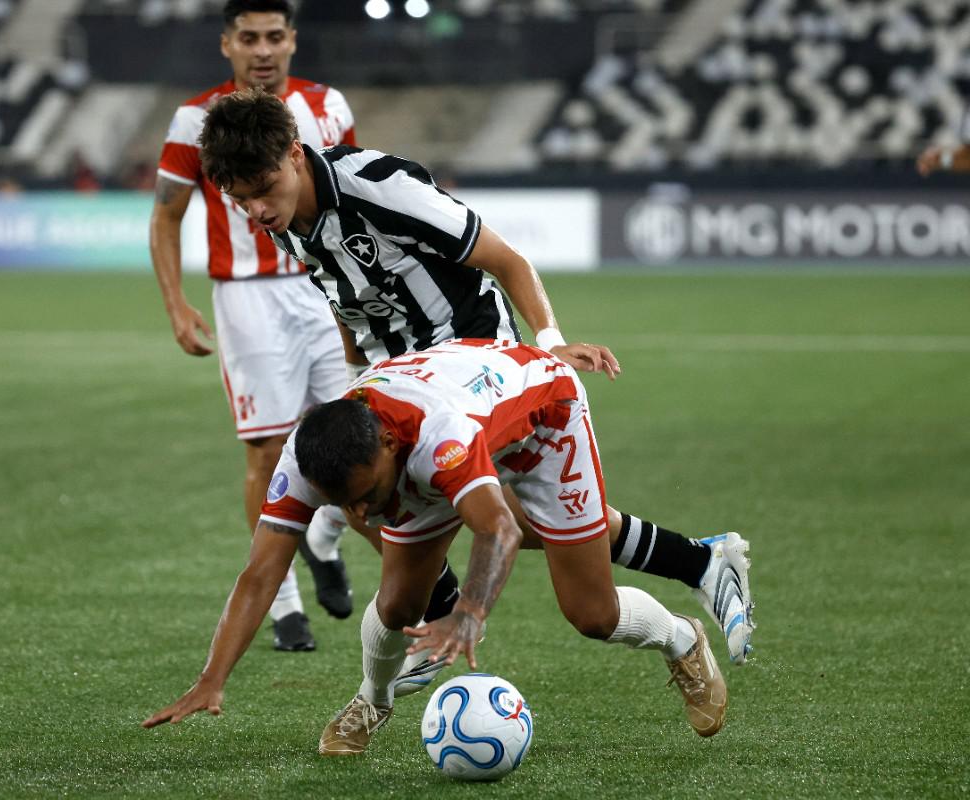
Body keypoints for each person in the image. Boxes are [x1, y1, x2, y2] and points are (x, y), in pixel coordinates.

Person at [193, 87, 754, 672]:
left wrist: (550, 342)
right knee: (478, 512)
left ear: (294, 153)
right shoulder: (283, 215)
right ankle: (696, 563)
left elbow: (506, 259)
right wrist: (356, 377)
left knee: (471, 515)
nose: (256, 210)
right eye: (240, 199)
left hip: (472, 362)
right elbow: (344, 296)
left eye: (263, 190)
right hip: (394, 377)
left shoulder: (381, 187)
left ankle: (438, 616)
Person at [142, 339, 730, 750]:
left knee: (591, 613)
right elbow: (259, 573)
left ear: (388, 448)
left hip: (547, 419)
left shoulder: (435, 437)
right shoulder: (308, 457)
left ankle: (682, 639)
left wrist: (469, 612)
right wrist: (212, 677)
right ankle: (374, 699)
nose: (360, 515)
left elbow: (497, 528)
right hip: (452, 421)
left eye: (365, 496)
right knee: (399, 604)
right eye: (344, 504)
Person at [150, 0, 363, 651]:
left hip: (324, 290)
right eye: (249, 38)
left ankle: (323, 540)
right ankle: (285, 605)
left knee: (359, 437)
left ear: (293, 39)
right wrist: (176, 303)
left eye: (274, 36)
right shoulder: (195, 119)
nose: (262, 50)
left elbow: (355, 194)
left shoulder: (327, 107)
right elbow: (166, 215)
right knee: (268, 452)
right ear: (227, 44)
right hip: (247, 301)